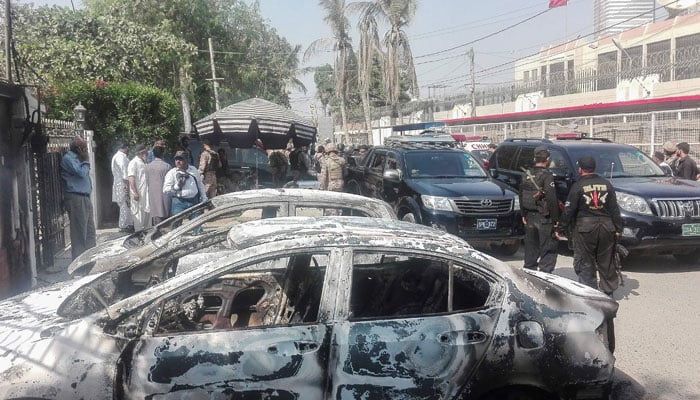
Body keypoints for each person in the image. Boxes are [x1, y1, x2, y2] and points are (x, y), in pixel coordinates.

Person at [556, 155, 623, 296]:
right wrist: (618, 228)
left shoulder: (578, 186)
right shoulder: (606, 184)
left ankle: (589, 294)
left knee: (585, 262)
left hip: (585, 229)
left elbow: (569, 210)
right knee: (606, 260)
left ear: (580, 169)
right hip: (607, 227)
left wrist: (560, 228)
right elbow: (614, 209)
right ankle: (608, 292)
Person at [520, 146, 561, 273]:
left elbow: (521, 194)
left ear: (534, 158)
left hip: (529, 217)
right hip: (544, 218)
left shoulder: (526, 173)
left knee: (531, 250)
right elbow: (552, 199)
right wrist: (556, 220)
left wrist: (523, 213)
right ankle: (544, 280)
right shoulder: (547, 175)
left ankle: (529, 276)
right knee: (548, 250)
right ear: (547, 159)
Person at [58, 135, 96, 264]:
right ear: (78, 148)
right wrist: (86, 160)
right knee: (79, 233)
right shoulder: (69, 159)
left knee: (90, 231)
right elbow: (80, 173)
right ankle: (79, 265)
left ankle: (90, 261)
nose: (86, 150)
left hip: (85, 197)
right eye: (84, 148)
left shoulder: (79, 158)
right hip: (76, 198)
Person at [163, 150, 208, 217]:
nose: (178, 161)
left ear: (186, 160)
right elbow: (165, 190)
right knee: (177, 225)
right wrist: (177, 187)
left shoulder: (193, 170)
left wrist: (204, 197)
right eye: (176, 159)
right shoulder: (172, 173)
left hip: (194, 202)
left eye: (180, 159)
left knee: (196, 225)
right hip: (178, 202)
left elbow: (200, 184)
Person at [146, 145, 171, 225]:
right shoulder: (167, 166)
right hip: (165, 194)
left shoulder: (148, 167)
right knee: (166, 212)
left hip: (152, 194)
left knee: (155, 213)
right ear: (163, 154)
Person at [111, 142, 133, 233]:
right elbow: (125, 175)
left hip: (120, 185)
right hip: (123, 186)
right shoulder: (121, 157)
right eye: (128, 148)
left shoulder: (116, 156)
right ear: (126, 148)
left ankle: (125, 226)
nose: (129, 151)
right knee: (125, 206)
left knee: (125, 207)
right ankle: (124, 227)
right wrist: (127, 188)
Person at [128, 144, 151, 231]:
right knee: (138, 216)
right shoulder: (133, 163)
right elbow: (131, 178)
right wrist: (135, 192)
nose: (148, 153)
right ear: (142, 152)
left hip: (146, 194)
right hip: (138, 195)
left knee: (147, 216)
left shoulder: (144, 162)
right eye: (146, 152)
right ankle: (138, 236)